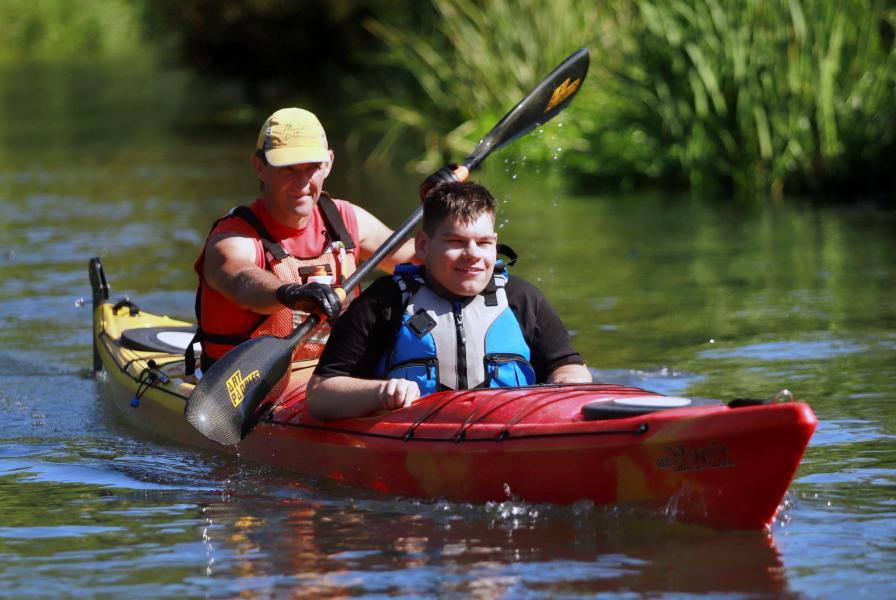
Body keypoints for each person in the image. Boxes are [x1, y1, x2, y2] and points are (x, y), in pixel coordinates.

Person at [306, 180, 591, 420]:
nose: (473, 254)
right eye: (455, 242)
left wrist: (566, 385)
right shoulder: (386, 302)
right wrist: (380, 393)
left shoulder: (521, 298)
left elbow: (568, 366)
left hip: (511, 431)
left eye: (483, 243)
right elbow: (320, 395)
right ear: (423, 245)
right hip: (416, 441)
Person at [188, 107, 418, 375]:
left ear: (329, 163)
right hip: (249, 385)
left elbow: (418, 258)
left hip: (333, 379)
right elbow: (240, 279)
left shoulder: (345, 219)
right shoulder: (234, 237)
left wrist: (441, 210)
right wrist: (289, 293)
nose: (301, 183)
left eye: (312, 168)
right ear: (259, 167)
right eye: (287, 169)